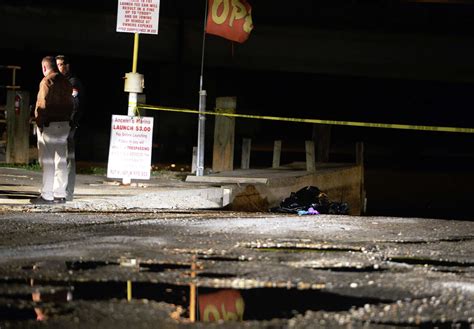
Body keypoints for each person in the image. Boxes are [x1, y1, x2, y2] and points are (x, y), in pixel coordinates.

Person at [31, 56, 73, 205]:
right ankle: (60, 194)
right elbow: (71, 103)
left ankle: (47, 195)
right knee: (61, 159)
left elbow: (42, 104)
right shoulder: (66, 82)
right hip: (64, 124)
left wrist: (39, 123)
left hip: (50, 124)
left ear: (44, 67)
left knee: (48, 161)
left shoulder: (46, 81)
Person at [56, 55, 84, 201]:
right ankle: (61, 190)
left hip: (68, 126)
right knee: (61, 159)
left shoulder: (73, 82)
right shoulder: (62, 82)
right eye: (58, 65)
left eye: (62, 64)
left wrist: (69, 123)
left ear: (67, 66)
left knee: (68, 159)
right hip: (61, 125)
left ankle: (68, 192)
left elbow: (75, 104)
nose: (60, 67)